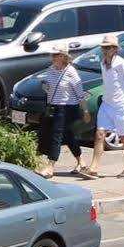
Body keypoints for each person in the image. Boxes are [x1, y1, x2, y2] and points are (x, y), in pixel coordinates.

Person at [84, 36, 124, 179]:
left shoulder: (122, 64)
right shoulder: (102, 63)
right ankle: (93, 168)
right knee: (99, 134)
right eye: (103, 47)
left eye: (108, 47)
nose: (105, 50)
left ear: (115, 49)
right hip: (107, 103)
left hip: (121, 105)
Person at [34, 49, 86, 177]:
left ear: (63, 56)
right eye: (52, 55)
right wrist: (44, 86)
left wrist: (85, 110)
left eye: (56, 55)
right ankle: (82, 162)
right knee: (67, 135)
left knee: (56, 135)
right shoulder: (51, 69)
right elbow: (45, 82)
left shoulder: (71, 72)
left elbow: (80, 94)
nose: (53, 57)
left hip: (67, 107)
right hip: (53, 106)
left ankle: (50, 166)